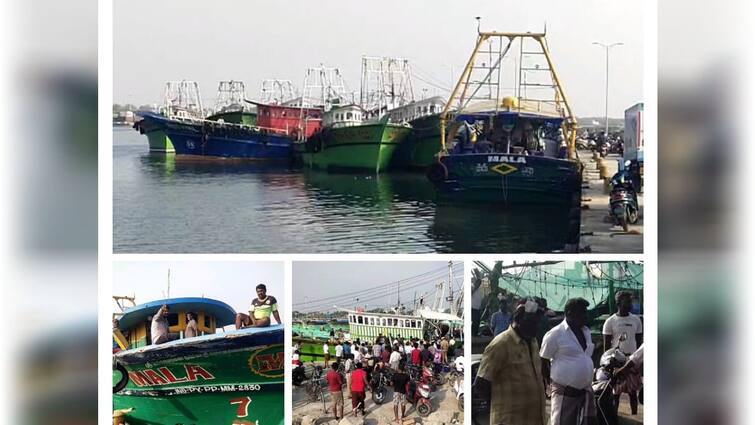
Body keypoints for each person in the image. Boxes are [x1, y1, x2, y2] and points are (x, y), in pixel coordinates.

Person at [473, 298, 547, 425]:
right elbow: (480, 385)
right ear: (518, 319)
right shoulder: (500, 344)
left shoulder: (533, 342)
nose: (536, 327)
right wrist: (502, 409)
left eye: (537, 323)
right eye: (531, 323)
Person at [540, 298, 597, 425]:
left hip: (585, 392)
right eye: (582, 313)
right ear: (570, 313)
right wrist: (552, 385)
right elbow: (543, 361)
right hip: (565, 393)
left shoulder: (586, 332)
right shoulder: (555, 334)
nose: (585, 316)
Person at [603, 292, 643, 415]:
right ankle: (615, 419)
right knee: (616, 393)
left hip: (632, 361)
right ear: (618, 303)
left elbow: (639, 343)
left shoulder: (636, 320)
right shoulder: (610, 321)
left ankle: (635, 417)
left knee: (632, 393)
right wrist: (607, 364)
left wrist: (640, 364)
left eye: (631, 301)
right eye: (627, 301)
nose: (630, 304)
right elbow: (606, 347)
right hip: (616, 361)